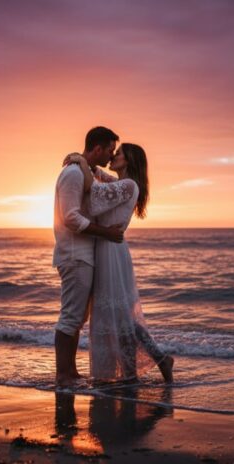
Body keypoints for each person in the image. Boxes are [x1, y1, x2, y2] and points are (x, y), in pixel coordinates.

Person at [65, 143, 174, 383]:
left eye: (119, 153)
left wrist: (82, 163)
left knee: (121, 315)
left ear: (130, 160)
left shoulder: (129, 185)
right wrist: (84, 161)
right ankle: (149, 364)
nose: (114, 155)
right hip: (106, 248)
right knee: (119, 315)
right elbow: (99, 177)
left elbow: (94, 197)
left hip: (111, 251)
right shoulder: (120, 183)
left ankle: (137, 371)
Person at [52, 126, 124, 388]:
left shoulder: (89, 171)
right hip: (74, 255)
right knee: (71, 317)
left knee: (78, 317)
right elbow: (70, 217)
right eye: (110, 150)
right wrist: (106, 233)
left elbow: (116, 184)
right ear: (97, 148)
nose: (111, 155)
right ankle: (63, 375)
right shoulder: (73, 173)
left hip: (84, 255)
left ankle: (71, 373)